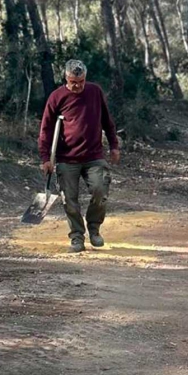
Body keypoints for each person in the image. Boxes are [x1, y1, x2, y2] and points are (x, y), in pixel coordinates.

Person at [39, 60, 120, 253]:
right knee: (70, 200)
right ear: (66, 78)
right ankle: (77, 237)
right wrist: (45, 159)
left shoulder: (95, 92)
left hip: (93, 155)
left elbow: (107, 121)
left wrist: (114, 146)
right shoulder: (56, 97)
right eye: (74, 82)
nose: (78, 86)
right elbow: (46, 130)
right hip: (67, 158)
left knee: (101, 190)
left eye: (81, 81)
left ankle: (94, 228)